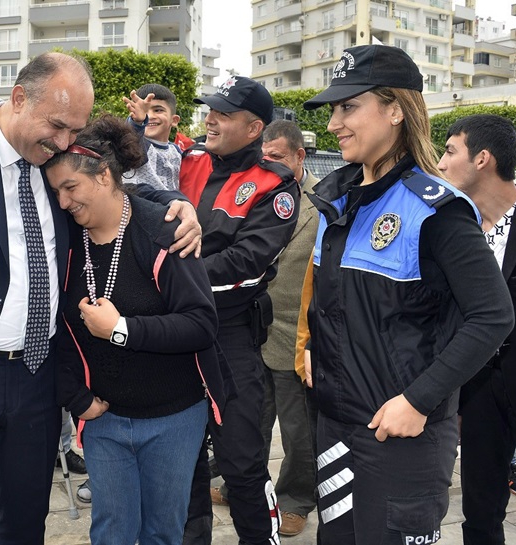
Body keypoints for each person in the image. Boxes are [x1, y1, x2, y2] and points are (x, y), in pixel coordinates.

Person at [0, 51, 202, 544]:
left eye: (73, 131)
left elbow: (116, 181)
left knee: (28, 519)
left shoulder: (58, 150)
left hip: (38, 375)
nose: (64, 142)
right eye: (57, 126)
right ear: (18, 98)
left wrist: (177, 204)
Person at [301, 44, 514, 544]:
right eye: (333, 109)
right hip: (335, 428)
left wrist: (417, 401)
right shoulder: (337, 199)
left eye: (348, 107)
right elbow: (336, 302)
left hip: (400, 439)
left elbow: (492, 316)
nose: (334, 123)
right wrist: (315, 348)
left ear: (396, 109)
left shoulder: (436, 209)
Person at [46, 114, 231, 545]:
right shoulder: (67, 238)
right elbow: (51, 327)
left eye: (70, 188)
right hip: (105, 419)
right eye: (55, 191)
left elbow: (202, 323)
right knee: (111, 532)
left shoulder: (164, 231)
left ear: (105, 175)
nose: (62, 203)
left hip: (174, 419)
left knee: (162, 534)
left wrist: (121, 329)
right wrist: (76, 399)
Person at [181, 75, 298, 545]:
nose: (210, 118)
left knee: (242, 464)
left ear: (254, 129)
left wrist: (167, 273)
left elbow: (247, 264)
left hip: (229, 338)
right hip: (176, 335)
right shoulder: (185, 162)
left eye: (223, 113)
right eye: (209, 109)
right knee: (184, 463)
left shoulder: (275, 185)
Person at [435, 113, 516, 543]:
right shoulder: (451, 225)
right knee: (479, 516)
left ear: (483, 159)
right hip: (475, 394)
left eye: (450, 151)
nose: (440, 163)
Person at [257, 119, 319, 537]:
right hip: (252, 332)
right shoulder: (256, 194)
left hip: (297, 337)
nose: (268, 164)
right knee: (250, 422)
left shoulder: (326, 203)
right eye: (264, 157)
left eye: (277, 157)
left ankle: (296, 499)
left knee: (298, 431)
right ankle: (243, 484)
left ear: (299, 156)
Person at [123, 84, 183, 191]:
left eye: (158, 110)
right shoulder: (137, 145)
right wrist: (137, 121)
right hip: (140, 205)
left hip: (173, 205)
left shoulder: (177, 151)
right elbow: (128, 137)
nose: (149, 116)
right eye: (144, 111)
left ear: (174, 120)